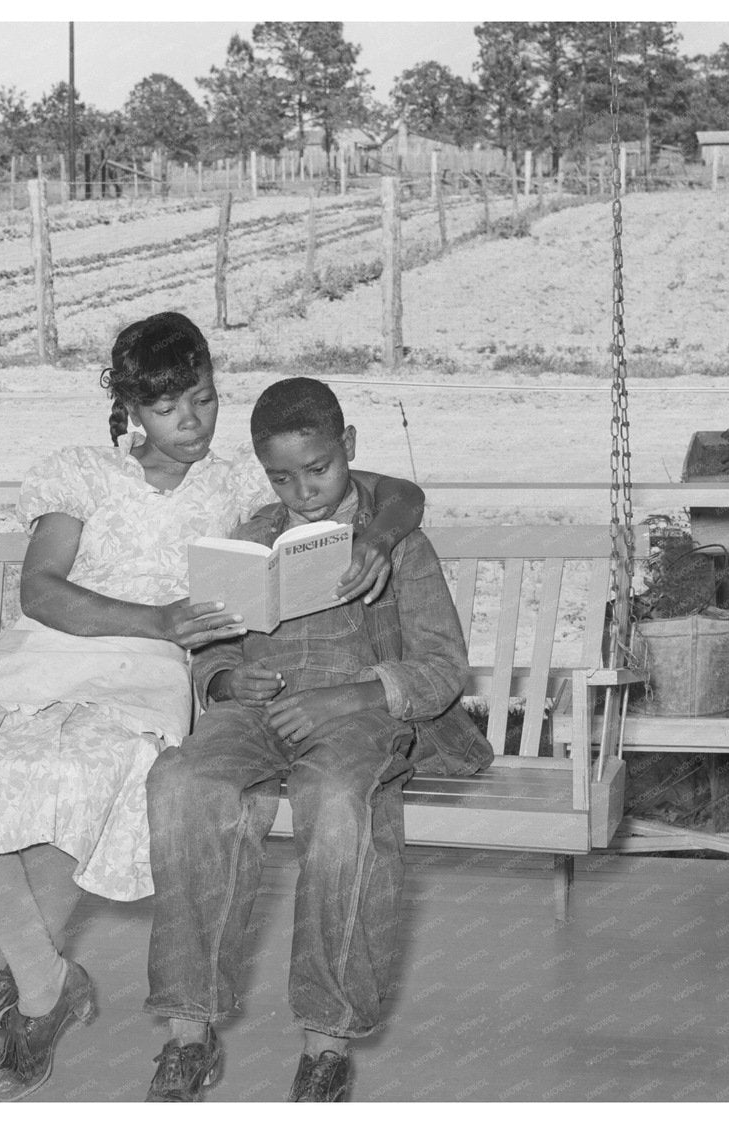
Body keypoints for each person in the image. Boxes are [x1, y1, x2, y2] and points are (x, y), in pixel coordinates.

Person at [0, 315, 426, 1101]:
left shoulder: (239, 484)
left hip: (150, 671)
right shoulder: (79, 472)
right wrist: (155, 616)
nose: (192, 421)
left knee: (95, 770)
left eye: (204, 398)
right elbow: (41, 589)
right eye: (168, 407)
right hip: (51, 647)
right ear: (131, 410)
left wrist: (379, 541)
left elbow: (390, 491)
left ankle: (34, 983)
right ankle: (42, 979)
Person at [141, 376, 492, 1102]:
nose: (302, 491)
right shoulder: (251, 539)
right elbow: (215, 651)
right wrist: (227, 680)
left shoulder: (393, 545)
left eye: (319, 469)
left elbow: (442, 666)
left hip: (360, 710)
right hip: (258, 712)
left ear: (350, 449)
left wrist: (352, 695)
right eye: (280, 477)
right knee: (182, 782)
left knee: (336, 802)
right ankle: (188, 1031)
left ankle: (326, 1043)